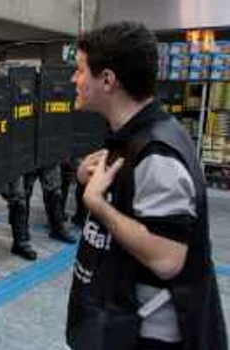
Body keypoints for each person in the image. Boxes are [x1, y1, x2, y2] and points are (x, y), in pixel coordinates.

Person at [66, 21, 227, 350]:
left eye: (80, 71)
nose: (74, 80)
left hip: (152, 336)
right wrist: (88, 178)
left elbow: (167, 259)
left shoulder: (157, 153)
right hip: (118, 323)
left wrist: (98, 204)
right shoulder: (128, 135)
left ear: (108, 79)